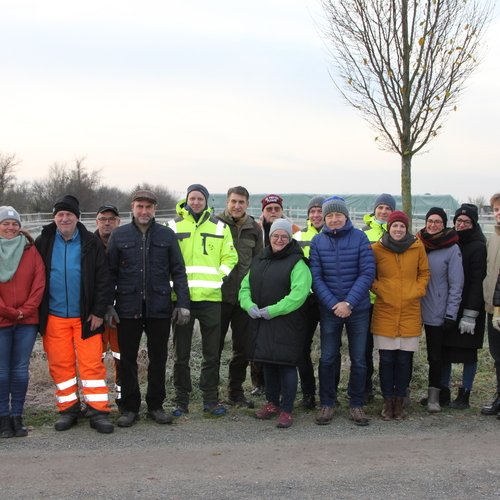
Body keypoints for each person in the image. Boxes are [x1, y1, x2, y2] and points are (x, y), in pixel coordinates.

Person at [107, 190, 190, 427]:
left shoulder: (166, 235)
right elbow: (109, 274)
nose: (144, 211)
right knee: (127, 360)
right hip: (127, 308)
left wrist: (183, 304)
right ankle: (129, 407)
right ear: (132, 208)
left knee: (158, 358)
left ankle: (156, 405)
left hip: (159, 308)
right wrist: (108, 306)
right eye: (139, 206)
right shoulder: (119, 235)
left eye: (148, 207)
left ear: (154, 209)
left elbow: (179, 272)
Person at [36, 195, 114, 433]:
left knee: (92, 365)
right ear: (55, 218)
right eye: (60, 214)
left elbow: (104, 280)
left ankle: (98, 410)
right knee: (61, 366)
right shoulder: (44, 241)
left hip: (87, 317)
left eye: (69, 214)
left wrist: (99, 311)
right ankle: (68, 409)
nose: (64, 218)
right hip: (54, 316)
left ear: (77, 217)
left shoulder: (90, 242)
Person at [169, 184, 238, 417]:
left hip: (211, 299)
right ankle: (181, 400)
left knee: (211, 354)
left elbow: (230, 257)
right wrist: (173, 286)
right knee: (182, 355)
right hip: (182, 300)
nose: (196, 202)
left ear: (206, 201)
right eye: (192, 198)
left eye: (200, 198)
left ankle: (210, 399)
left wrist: (217, 278)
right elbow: (165, 259)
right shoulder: (173, 226)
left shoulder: (219, 227)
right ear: (186, 200)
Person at [239, 219, 312, 428]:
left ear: (289, 239)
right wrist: (248, 305)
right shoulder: (260, 259)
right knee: (268, 363)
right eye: (275, 236)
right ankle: (272, 403)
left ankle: (287, 409)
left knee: (287, 365)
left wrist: (273, 310)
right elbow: (245, 287)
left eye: (284, 236)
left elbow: (299, 294)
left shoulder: (298, 262)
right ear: (269, 238)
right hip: (262, 319)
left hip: (287, 322)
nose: (279, 239)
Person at [310, 196, 375, 426]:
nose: (334, 219)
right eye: (329, 216)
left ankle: (356, 403)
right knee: (328, 358)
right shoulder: (318, 242)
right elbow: (316, 278)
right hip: (329, 310)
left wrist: (349, 303)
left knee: (358, 359)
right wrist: (333, 304)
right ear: (324, 218)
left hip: (357, 309)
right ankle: (327, 402)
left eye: (338, 215)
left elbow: (367, 272)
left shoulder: (360, 237)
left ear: (345, 216)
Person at [371, 210, 430, 420]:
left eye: (401, 226)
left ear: (407, 228)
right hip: (385, 310)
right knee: (386, 360)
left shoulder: (417, 246)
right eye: (394, 226)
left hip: (410, 310)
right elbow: (370, 274)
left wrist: (418, 290)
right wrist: (380, 289)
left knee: (405, 360)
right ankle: (387, 402)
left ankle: (400, 401)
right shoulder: (377, 249)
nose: (398, 229)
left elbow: (424, 273)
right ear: (389, 227)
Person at [0, 206, 45, 438]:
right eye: (5, 223)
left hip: (27, 320)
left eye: (14, 223)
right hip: (1, 320)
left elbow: (39, 282)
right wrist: (9, 312)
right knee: (1, 372)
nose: (10, 227)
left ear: (20, 227)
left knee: (19, 370)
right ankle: (3, 419)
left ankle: (17, 416)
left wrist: (24, 311)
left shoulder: (30, 250)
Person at [216, 186, 263, 407]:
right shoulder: (215, 224)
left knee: (242, 348)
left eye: (241, 202)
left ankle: (235, 392)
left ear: (247, 204)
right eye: (233, 201)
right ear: (227, 202)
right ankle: (211, 394)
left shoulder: (255, 228)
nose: (236, 206)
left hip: (244, 298)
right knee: (213, 348)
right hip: (218, 296)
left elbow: (258, 262)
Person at [417, 207, 464, 413]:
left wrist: (451, 313)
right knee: (407, 353)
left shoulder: (452, 248)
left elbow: (456, 284)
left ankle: (434, 396)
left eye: (437, 221)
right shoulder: (418, 243)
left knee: (435, 356)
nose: (432, 224)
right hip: (414, 308)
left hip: (437, 309)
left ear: (444, 224)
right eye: (430, 220)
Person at [440, 204, 487, 409]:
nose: (461, 224)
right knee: (445, 351)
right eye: (458, 221)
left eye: (466, 222)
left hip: (470, 306)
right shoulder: (450, 241)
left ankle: (465, 393)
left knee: (468, 353)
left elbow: (478, 280)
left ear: (473, 223)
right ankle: (443, 391)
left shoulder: (478, 246)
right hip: (450, 305)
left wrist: (471, 313)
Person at [293, 195, 327, 409]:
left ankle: (328, 394)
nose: (315, 215)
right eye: (312, 211)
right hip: (305, 300)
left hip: (328, 299)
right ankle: (308, 393)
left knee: (330, 350)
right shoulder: (297, 236)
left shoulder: (334, 235)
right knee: (301, 348)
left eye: (319, 211)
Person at [362, 193, 396, 402]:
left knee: (386, 348)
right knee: (363, 348)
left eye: (387, 208)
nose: (383, 211)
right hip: (366, 299)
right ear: (374, 209)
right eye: (380, 207)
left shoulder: (396, 232)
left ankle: (388, 389)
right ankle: (365, 388)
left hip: (387, 300)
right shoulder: (363, 233)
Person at [94, 204, 122, 409]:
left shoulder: (125, 242)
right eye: (103, 219)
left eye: (111, 219)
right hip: (94, 314)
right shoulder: (88, 244)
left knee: (122, 358)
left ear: (118, 222)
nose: (107, 223)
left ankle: (122, 399)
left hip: (120, 313)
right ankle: (97, 402)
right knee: (95, 359)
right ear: (97, 221)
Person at [481, 193, 500, 417]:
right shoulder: (493, 237)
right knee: (497, 357)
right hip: (492, 307)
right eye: (496, 209)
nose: (498, 213)